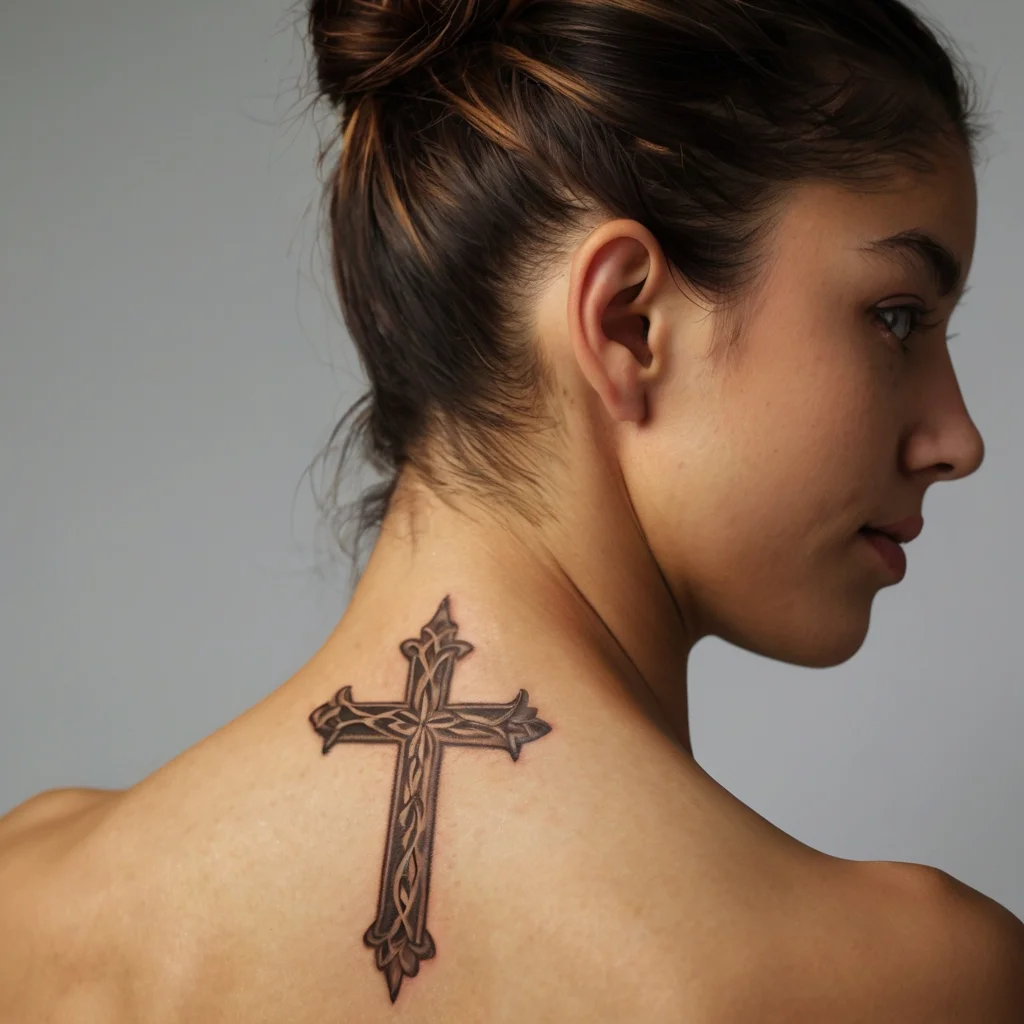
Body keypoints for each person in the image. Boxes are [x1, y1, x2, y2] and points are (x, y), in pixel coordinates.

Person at [2, 0, 1023, 1019]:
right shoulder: (907, 978)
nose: (956, 438)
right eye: (896, 317)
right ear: (629, 322)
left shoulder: (33, 908)